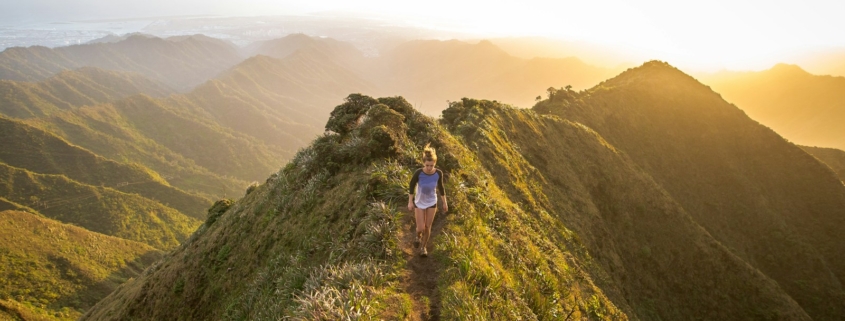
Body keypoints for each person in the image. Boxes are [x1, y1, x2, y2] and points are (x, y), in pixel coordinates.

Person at [407, 143, 448, 257]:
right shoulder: (419, 173)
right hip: (419, 202)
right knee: (420, 228)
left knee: (427, 227)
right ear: (423, 163)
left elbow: (441, 188)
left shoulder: (438, 173)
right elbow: (411, 186)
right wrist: (410, 202)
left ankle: (423, 248)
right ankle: (417, 236)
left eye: (431, 165)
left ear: (435, 163)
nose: (429, 168)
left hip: (431, 202)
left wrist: (444, 203)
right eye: (427, 165)